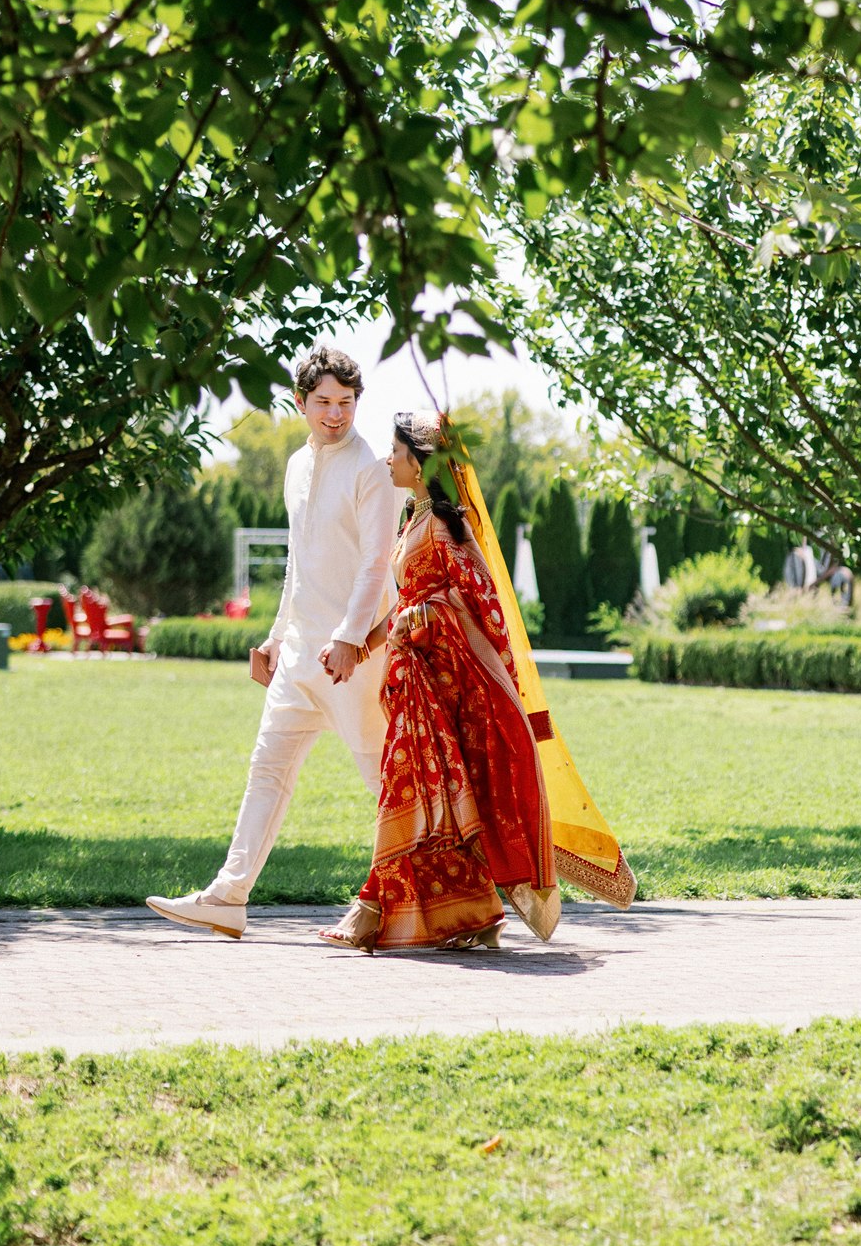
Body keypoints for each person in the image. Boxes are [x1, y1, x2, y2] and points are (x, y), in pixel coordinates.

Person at [146, 343, 399, 941]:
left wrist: (349, 638)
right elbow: (298, 563)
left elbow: (374, 566)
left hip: (356, 660)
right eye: (324, 402)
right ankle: (228, 897)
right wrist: (276, 635)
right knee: (267, 769)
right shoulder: (296, 466)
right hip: (299, 658)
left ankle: (443, 893)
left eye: (346, 402)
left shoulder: (372, 470)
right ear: (300, 402)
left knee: (384, 780)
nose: (336, 414)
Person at [319, 410, 560, 953]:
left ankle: (372, 907)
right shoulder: (412, 519)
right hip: (415, 684)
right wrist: (358, 646)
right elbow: (405, 604)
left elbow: (481, 600)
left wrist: (427, 616)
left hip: (448, 685)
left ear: (419, 460)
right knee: (435, 802)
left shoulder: (450, 526)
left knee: (410, 788)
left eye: (396, 450)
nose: (387, 458)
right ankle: (472, 912)